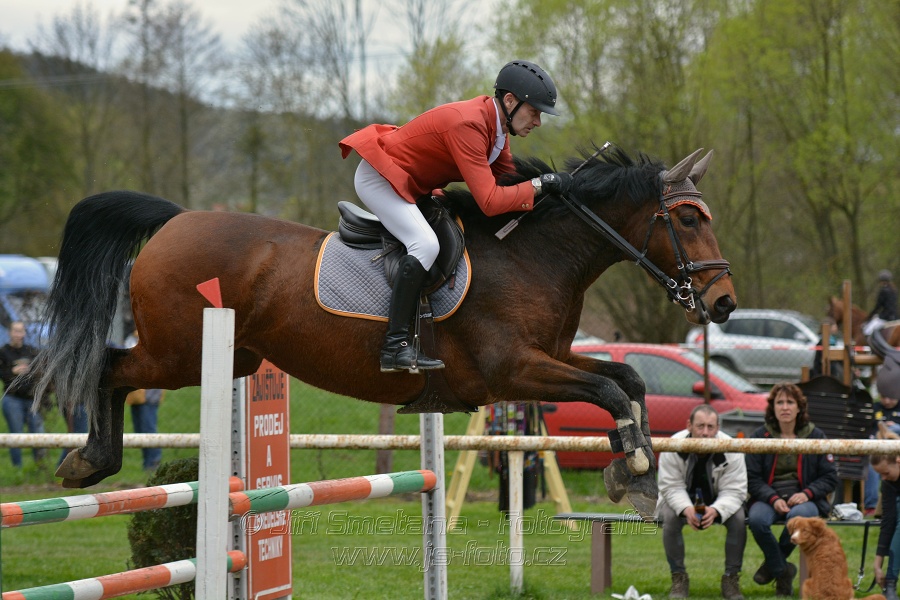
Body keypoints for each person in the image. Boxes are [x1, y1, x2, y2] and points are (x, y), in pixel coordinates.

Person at [339, 60, 568, 373]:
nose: (538, 121)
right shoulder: (470, 125)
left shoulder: (498, 130)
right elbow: (489, 201)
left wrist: (555, 193)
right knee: (425, 245)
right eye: (535, 111)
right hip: (381, 178)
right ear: (510, 101)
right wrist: (540, 185)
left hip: (414, 184)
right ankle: (394, 346)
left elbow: (508, 183)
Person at [745, 382, 838, 597]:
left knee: (799, 520)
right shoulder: (760, 436)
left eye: (790, 402)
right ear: (772, 408)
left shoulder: (816, 436)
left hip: (805, 499)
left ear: (799, 407)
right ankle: (782, 570)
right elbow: (752, 478)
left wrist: (806, 494)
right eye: (780, 402)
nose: (785, 407)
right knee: (757, 520)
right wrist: (772, 497)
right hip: (768, 497)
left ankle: (772, 568)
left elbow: (830, 476)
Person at [656, 404, 748, 600]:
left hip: (718, 500)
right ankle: (678, 577)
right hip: (681, 499)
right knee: (670, 516)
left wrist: (716, 510)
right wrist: (686, 508)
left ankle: (731, 578)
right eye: (700, 426)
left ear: (717, 428)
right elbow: (670, 486)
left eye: (710, 427)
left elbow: (735, 489)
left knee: (739, 518)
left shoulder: (731, 447)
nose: (705, 433)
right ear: (689, 425)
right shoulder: (673, 445)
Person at [0, 321, 46, 468]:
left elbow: (41, 372)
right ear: (10, 333)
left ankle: (40, 467)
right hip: (12, 398)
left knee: (38, 433)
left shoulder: (31, 351)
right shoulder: (3, 352)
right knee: (16, 435)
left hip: (31, 399)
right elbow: (2, 374)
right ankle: (17, 468)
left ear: (24, 333)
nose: (18, 334)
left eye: (21, 331)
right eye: (16, 331)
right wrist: (12, 372)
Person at [125, 330, 163, 471]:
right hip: (137, 394)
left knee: (148, 428)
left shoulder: (151, 339)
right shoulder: (132, 339)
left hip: (149, 394)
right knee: (140, 430)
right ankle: (148, 463)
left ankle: (153, 461)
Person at [871, 452, 900, 600]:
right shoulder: (888, 484)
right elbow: (888, 521)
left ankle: (890, 582)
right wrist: (877, 565)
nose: (883, 478)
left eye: (886, 472)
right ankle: (890, 583)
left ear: (898, 461)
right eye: (880, 475)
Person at [864, 270, 898, 336]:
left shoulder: (883, 291)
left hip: (885, 317)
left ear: (881, 281)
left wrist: (870, 316)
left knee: (867, 330)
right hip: (895, 317)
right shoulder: (894, 290)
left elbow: (878, 306)